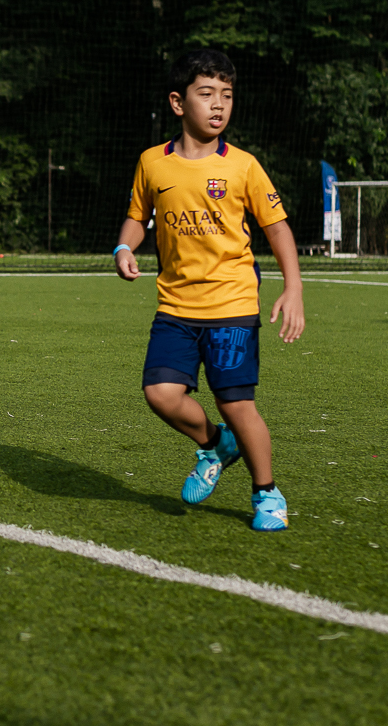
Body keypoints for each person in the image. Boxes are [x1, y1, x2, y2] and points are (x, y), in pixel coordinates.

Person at [113, 48, 305, 532]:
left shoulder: (243, 166)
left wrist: (294, 287)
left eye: (227, 95)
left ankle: (267, 493)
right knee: (160, 393)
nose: (219, 105)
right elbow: (138, 217)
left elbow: (278, 228)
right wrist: (123, 247)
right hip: (175, 305)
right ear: (179, 103)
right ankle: (216, 445)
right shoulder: (152, 163)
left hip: (232, 305)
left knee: (235, 402)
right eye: (206, 94)